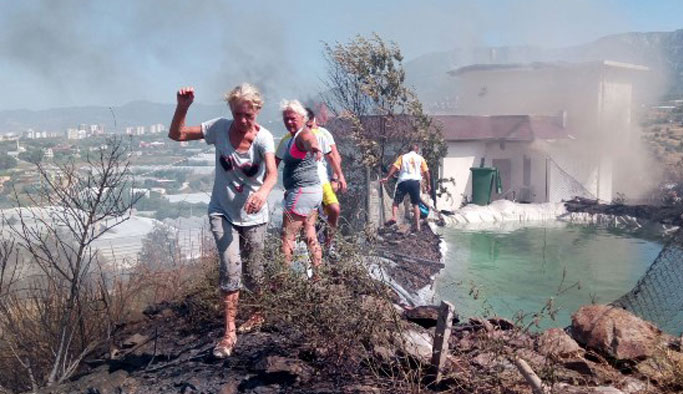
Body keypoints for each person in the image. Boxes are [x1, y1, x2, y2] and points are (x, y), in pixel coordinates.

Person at [168, 83, 277, 359]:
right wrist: (183, 108)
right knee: (231, 266)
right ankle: (229, 333)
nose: (242, 121)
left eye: (248, 116)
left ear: (257, 112)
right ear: (231, 110)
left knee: (254, 272)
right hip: (222, 211)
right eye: (238, 114)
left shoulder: (264, 138)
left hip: (254, 215)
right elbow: (177, 134)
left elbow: (273, 174)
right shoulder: (219, 128)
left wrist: (263, 193)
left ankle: (258, 311)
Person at [275, 100, 324, 271]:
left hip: (302, 192)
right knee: (310, 233)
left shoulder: (303, 134)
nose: (289, 122)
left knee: (287, 236)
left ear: (303, 118)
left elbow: (309, 141)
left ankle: (283, 278)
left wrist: (315, 148)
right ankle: (318, 275)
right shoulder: (293, 137)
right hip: (313, 192)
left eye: (292, 118)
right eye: (286, 119)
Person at [304, 107, 346, 252]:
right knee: (311, 217)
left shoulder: (324, 134)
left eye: (309, 123)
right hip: (305, 183)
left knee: (332, 211)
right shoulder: (297, 135)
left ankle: (329, 244)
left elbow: (335, 157)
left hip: (324, 180)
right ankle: (312, 249)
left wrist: (335, 178)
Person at [380, 144, 431, 232]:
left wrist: (387, 177)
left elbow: (394, 167)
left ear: (408, 149)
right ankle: (418, 226)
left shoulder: (402, 157)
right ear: (417, 150)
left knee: (396, 202)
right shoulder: (420, 158)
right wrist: (428, 184)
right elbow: (426, 172)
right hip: (415, 182)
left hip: (403, 182)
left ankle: (394, 217)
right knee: (415, 204)